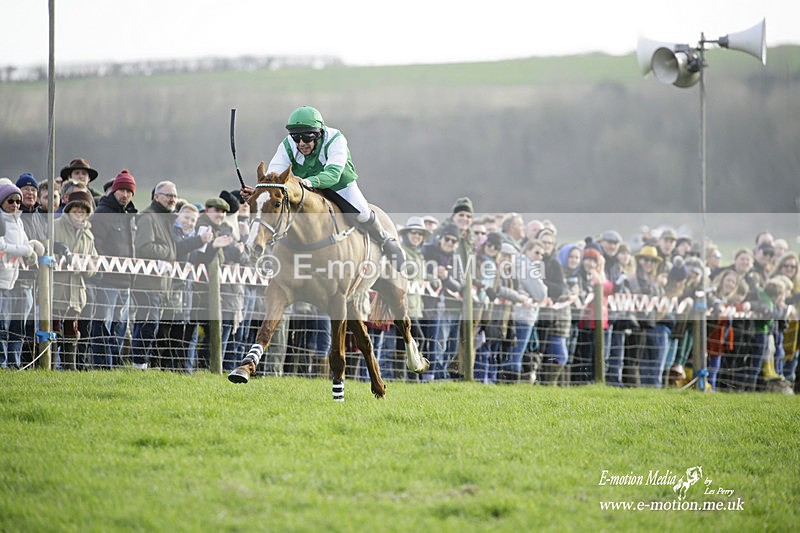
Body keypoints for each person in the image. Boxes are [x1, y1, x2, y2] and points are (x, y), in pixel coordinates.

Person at [257, 105, 404, 268]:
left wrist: (307, 182)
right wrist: (259, 192)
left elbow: (333, 174)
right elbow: (274, 177)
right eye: (296, 137)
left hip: (338, 186)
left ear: (318, 134)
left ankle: (385, 239)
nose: (301, 143)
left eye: (307, 137)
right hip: (305, 188)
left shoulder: (335, 139)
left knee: (362, 212)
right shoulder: (287, 145)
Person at [90, 170, 138, 368]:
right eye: (121, 190)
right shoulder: (102, 213)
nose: (125, 195)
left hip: (126, 282)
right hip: (107, 281)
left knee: (119, 327)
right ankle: (102, 366)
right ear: (114, 191)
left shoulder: (129, 216)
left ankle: (115, 366)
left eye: (129, 191)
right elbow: (96, 246)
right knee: (104, 325)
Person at [130, 181, 178, 369]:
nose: (172, 199)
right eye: (168, 195)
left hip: (160, 284)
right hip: (147, 283)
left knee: (150, 325)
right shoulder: (149, 217)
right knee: (148, 325)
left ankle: (141, 363)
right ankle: (139, 363)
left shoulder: (166, 218)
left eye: (174, 196)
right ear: (156, 196)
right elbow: (143, 247)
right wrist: (167, 251)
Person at [52, 190, 97, 370]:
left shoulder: (89, 235)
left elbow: (94, 264)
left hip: (76, 292)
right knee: (53, 329)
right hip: (55, 289)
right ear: (68, 209)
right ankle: (48, 367)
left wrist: (84, 267)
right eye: (75, 208)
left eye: (83, 209)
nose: (79, 212)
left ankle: (69, 368)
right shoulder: (54, 226)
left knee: (72, 331)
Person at [0, 182, 44, 369]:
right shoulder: (1, 220)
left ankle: (14, 364)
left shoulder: (18, 221)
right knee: (2, 327)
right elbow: (2, 246)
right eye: (10, 201)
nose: (15, 205)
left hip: (12, 280)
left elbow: (26, 243)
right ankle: (2, 364)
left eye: (18, 201)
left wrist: (32, 250)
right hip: (2, 281)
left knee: (16, 327)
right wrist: (24, 250)